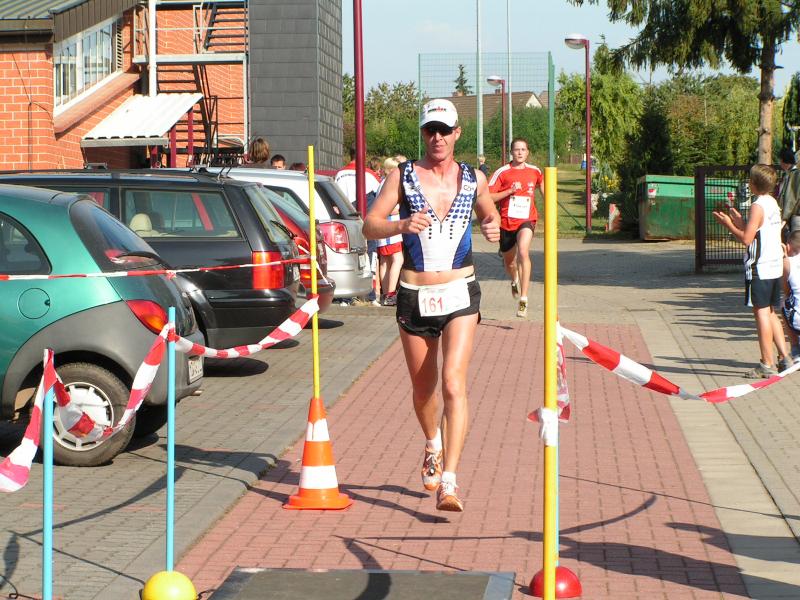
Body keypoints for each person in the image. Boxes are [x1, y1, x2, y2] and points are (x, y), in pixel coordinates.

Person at [363, 98, 500, 512]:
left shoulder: (473, 178)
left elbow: (490, 214)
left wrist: (492, 226)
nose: (437, 137)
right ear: (423, 134)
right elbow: (369, 225)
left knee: (454, 382)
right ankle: (432, 443)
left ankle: (450, 481)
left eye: (444, 130)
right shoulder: (402, 176)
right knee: (424, 389)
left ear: (457, 133)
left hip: (460, 291)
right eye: (430, 130)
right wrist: (402, 224)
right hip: (415, 292)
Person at [713, 164, 794, 378]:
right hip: (774, 265)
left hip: (759, 267)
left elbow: (747, 239)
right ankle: (785, 357)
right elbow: (760, 231)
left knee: (761, 314)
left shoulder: (757, 206)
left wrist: (728, 224)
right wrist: (741, 221)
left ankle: (766, 363)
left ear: (753, 184)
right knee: (770, 312)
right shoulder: (772, 203)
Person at [488, 138, 544, 318]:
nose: (520, 153)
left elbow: (544, 187)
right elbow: (488, 197)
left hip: (527, 220)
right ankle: (514, 279)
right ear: (511, 152)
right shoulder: (502, 172)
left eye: (523, 150)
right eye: (517, 150)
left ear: (528, 152)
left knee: (523, 251)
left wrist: (549, 205)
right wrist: (508, 191)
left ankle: (524, 299)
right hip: (506, 223)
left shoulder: (535, 171)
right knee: (510, 263)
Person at [375, 156, 405, 306]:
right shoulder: (390, 183)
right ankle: (391, 293)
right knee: (397, 259)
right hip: (391, 229)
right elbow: (389, 208)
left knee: (385, 262)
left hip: (383, 229)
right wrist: (401, 208)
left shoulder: (382, 183)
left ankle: (386, 294)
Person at [781, 230, 800, 360]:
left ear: (788, 246)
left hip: (797, 322)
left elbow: (786, 291)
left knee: (784, 302)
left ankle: (795, 348)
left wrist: (784, 256)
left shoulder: (787, 263)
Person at [778, 148, 800, 234]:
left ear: (783, 160)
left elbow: (791, 198)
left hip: (795, 216)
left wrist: (784, 218)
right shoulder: (789, 174)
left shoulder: (795, 174)